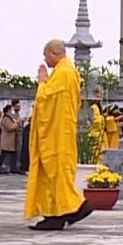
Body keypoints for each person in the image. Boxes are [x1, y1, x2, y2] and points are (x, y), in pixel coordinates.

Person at [24, 40, 92, 230]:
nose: (45, 60)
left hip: (57, 133)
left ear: (54, 53)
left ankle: (76, 206)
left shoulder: (64, 73)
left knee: (56, 173)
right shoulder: (66, 72)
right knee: (53, 173)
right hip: (59, 131)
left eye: (46, 55)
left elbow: (46, 100)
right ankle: (56, 214)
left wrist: (42, 81)